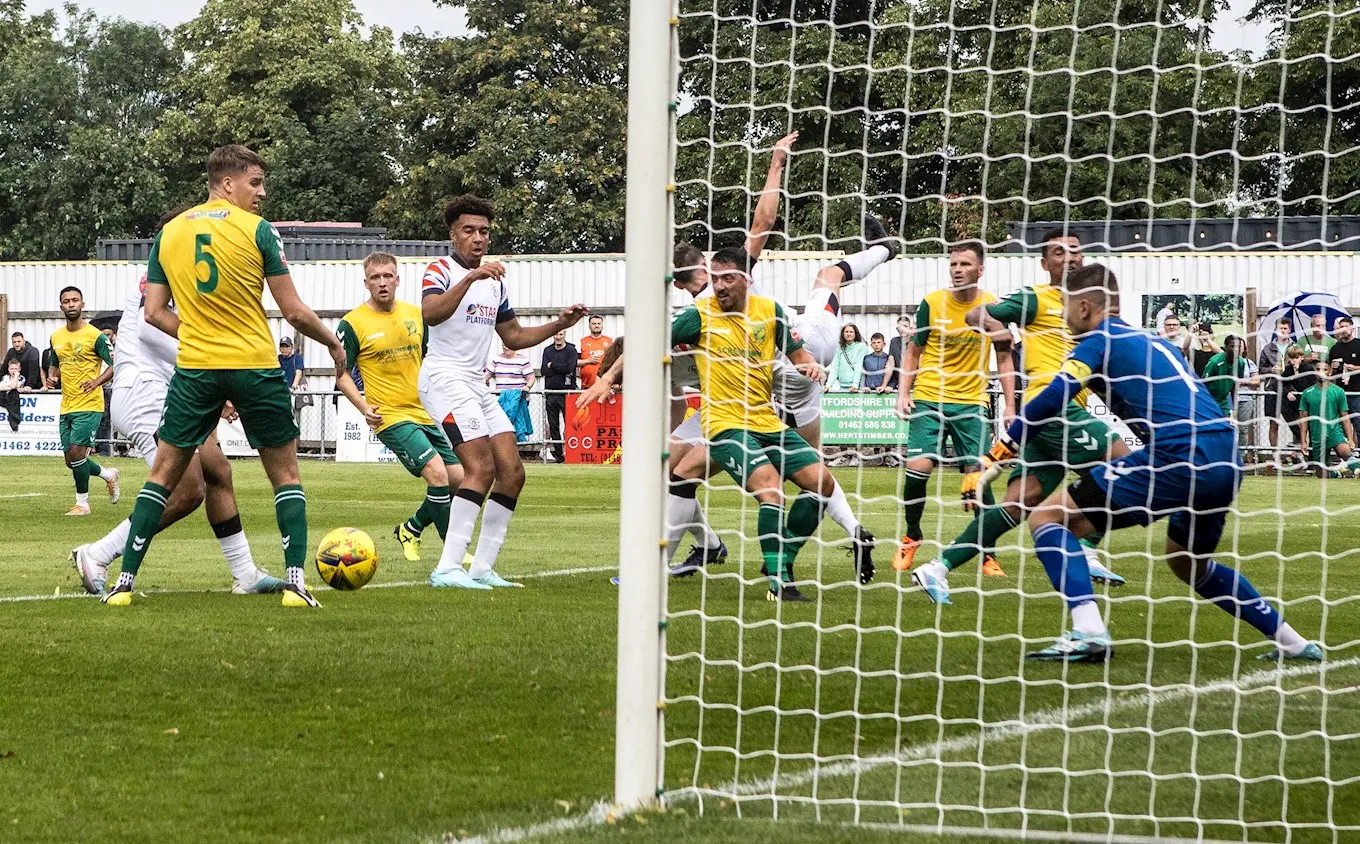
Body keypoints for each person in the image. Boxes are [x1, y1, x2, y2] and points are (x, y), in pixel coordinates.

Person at [971, 263, 1320, 663]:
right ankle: (1293, 641)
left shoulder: (1098, 339)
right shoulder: (1154, 342)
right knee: (1188, 563)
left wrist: (998, 453)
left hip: (1177, 454)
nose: (1064, 318)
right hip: (1225, 455)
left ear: (1084, 307)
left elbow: (1053, 397)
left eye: (1066, 307)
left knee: (1047, 518)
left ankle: (1088, 632)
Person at [102, 144, 347, 608]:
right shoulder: (258, 230)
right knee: (286, 475)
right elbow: (292, 311)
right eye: (255, 183)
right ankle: (295, 584)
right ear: (227, 183)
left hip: (196, 368)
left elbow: (153, 313)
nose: (262, 193)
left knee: (162, 476)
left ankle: (123, 585)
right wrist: (333, 343)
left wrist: (197, 332)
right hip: (253, 364)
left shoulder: (170, 233)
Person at [913, 229, 1128, 601]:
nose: (1070, 258)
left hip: (1057, 415)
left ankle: (936, 568)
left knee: (1016, 504)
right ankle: (1088, 547)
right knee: (1127, 462)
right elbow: (977, 313)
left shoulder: (1090, 303)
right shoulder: (1035, 298)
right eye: (1059, 253)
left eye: (1075, 251)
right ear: (1045, 264)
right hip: (1052, 406)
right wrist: (999, 332)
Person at [71, 256, 280, 597]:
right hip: (145, 394)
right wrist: (214, 367)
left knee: (218, 471)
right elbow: (147, 327)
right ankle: (97, 554)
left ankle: (246, 574)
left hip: (170, 392)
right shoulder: (168, 264)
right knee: (186, 491)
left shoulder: (194, 268)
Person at [419, 194, 587, 590]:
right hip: (443, 379)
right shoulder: (439, 269)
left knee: (512, 472)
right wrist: (470, 278)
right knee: (481, 468)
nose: (478, 238)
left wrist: (559, 322)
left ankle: (482, 568)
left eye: (484, 232)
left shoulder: (496, 285)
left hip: (476, 385)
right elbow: (430, 313)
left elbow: (513, 335)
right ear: (453, 235)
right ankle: (447, 568)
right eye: (469, 231)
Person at [669, 246, 833, 602]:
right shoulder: (698, 314)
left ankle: (781, 561)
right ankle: (780, 584)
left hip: (764, 419)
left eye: (727, 278)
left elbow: (797, 353)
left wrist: (810, 365)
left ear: (747, 280)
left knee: (822, 484)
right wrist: (609, 378)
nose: (719, 286)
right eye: (714, 279)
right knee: (770, 490)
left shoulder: (770, 311)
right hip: (724, 422)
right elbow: (651, 344)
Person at [335, 251, 469, 565]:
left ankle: (411, 528)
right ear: (365, 283)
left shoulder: (416, 314)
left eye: (387, 276)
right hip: (390, 416)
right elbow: (341, 375)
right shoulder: (352, 323)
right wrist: (364, 406)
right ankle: (454, 554)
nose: (382, 283)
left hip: (427, 411)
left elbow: (432, 359)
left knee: (460, 478)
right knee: (437, 473)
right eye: (375, 278)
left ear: (398, 279)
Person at [892, 241, 1015, 573]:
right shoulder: (931, 303)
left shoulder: (994, 306)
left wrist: (1011, 406)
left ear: (980, 270)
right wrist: (903, 393)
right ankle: (911, 535)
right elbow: (913, 351)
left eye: (964, 264)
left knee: (978, 477)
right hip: (930, 396)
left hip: (971, 403)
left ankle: (987, 553)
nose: (957, 269)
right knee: (918, 469)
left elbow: (1004, 358)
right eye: (953, 264)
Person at [47, 286, 119, 516]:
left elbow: (116, 364)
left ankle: (83, 504)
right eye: (66, 301)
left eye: (75, 300)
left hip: (89, 405)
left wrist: (97, 382)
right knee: (71, 460)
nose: (71, 304)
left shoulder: (95, 336)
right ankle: (108, 475)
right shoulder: (56, 336)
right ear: (61, 306)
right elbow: (55, 363)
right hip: (67, 405)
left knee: (78, 454)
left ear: (82, 304)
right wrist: (51, 377)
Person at [1297, 368, 1359, 477]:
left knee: (1345, 451)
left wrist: (1350, 439)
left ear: (1329, 372)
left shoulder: (1338, 391)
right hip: (1317, 435)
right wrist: (1303, 441)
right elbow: (1303, 419)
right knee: (1321, 473)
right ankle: (1337, 474)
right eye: (1318, 369)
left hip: (1334, 431)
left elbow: (1345, 416)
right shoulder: (1307, 393)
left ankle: (1357, 469)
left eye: (1324, 369)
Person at [540, 330, 578, 462]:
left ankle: (572, 452)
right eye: (556, 334)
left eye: (561, 334)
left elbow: (569, 368)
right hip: (550, 392)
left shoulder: (571, 350)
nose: (558, 337)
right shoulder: (547, 350)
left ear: (565, 335)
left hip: (567, 392)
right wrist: (555, 368)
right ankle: (558, 455)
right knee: (553, 424)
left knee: (570, 423)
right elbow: (544, 370)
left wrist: (552, 365)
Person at [1259, 317, 1295, 455]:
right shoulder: (1268, 349)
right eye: (1281, 328)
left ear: (1289, 330)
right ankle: (1275, 454)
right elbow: (1261, 368)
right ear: (1275, 330)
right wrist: (1270, 369)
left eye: (1286, 328)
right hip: (1272, 388)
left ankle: (1296, 453)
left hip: (1290, 388)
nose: (1283, 331)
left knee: (1295, 421)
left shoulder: (1294, 347)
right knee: (1274, 423)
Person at [486, 343, 536, 443]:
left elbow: (531, 377)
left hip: (517, 400)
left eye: (508, 345)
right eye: (503, 345)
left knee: (517, 425)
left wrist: (527, 386)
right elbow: (487, 375)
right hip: (501, 399)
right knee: (501, 425)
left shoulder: (523, 360)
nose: (506, 347)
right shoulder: (497, 359)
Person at [1202, 335, 1258, 417]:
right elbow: (1203, 383)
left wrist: (1234, 407)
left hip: (1223, 401)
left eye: (1239, 347)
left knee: (1228, 425)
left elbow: (1235, 384)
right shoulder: (1215, 362)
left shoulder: (1241, 363)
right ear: (1226, 347)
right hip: (1209, 400)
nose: (1236, 350)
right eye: (1233, 347)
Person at [1281, 344, 1316, 456]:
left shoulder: (1308, 368)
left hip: (1307, 403)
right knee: (1287, 412)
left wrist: (1296, 373)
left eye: (1296, 358)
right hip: (1294, 404)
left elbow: (1308, 385)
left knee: (1310, 428)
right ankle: (1300, 438)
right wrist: (1289, 391)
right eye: (1291, 358)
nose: (1294, 361)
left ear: (1301, 357)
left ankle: (1312, 456)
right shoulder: (1287, 369)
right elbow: (1283, 383)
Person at [1327, 315, 1360, 423]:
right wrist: (1333, 369)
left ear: (1352, 328)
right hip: (1340, 392)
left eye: (1346, 326)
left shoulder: (1358, 344)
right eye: (1341, 327)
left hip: (1357, 393)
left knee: (1357, 424)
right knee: (1341, 424)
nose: (1344, 329)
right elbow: (1331, 373)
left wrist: (1356, 368)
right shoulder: (1335, 348)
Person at [827, 323, 868, 391]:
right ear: (843, 333)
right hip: (841, 385)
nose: (848, 334)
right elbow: (835, 367)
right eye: (846, 332)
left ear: (855, 333)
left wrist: (855, 386)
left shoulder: (861, 346)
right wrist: (828, 385)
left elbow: (859, 366)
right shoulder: (839, 347)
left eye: (851, 332)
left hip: (857, 386)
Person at [578, 315, 613, 389]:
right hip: (587, 386)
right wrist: (588, 361)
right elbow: (575, 362)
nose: (597, 326)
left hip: (604, 386)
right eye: (594, 324)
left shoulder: (609, 342)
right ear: (589, 326)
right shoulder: (582, 341)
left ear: (602, 326)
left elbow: (614, 362)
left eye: (599, 323)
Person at [886, 315, 913, 391]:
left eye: (905, 326)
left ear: (910, 328)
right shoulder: (894, 341)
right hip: (899, 382)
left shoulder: (916, 341)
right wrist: (884, 385)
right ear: (897, 329)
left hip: (916, 383)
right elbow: (890, 364)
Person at [1, 358, 27, 431]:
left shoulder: (21, 378)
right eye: (11, 368)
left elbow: (14, 386)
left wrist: (16, 376)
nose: (13, 370)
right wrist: (10, 387)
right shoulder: (5, 377)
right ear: (8, 369)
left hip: (12, 399)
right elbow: (1, 388)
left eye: (16, 368)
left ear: (19, 369)